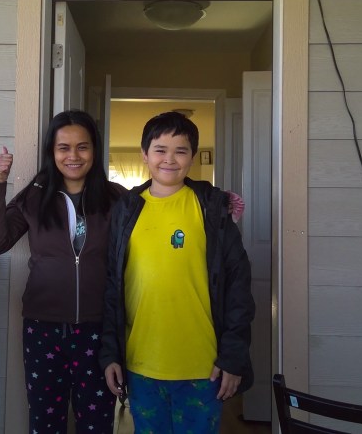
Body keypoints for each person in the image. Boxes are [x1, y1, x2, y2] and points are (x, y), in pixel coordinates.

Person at [99, 111, 254, 434]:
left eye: (180, 151)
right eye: (160, 150)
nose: (170, 159)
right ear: (144, 155)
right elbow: (113, 286)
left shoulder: (212, 208)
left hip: (204, 367)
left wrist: (233, 356)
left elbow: (238, 287)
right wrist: (110, 353)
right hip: (141, 364)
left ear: (192, 157)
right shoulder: (126, 210)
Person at [0, 110, 126, 434]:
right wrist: (0, 182)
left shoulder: (116, 197)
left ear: (94, 150)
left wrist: (211, 202)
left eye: (82, 147)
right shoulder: (34, 197)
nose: (73, 156)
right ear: (52, 151)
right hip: (42, 330)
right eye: (64, 147)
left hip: (98, 329)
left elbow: (159, 205)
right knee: (45, 423)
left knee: (97, 424)